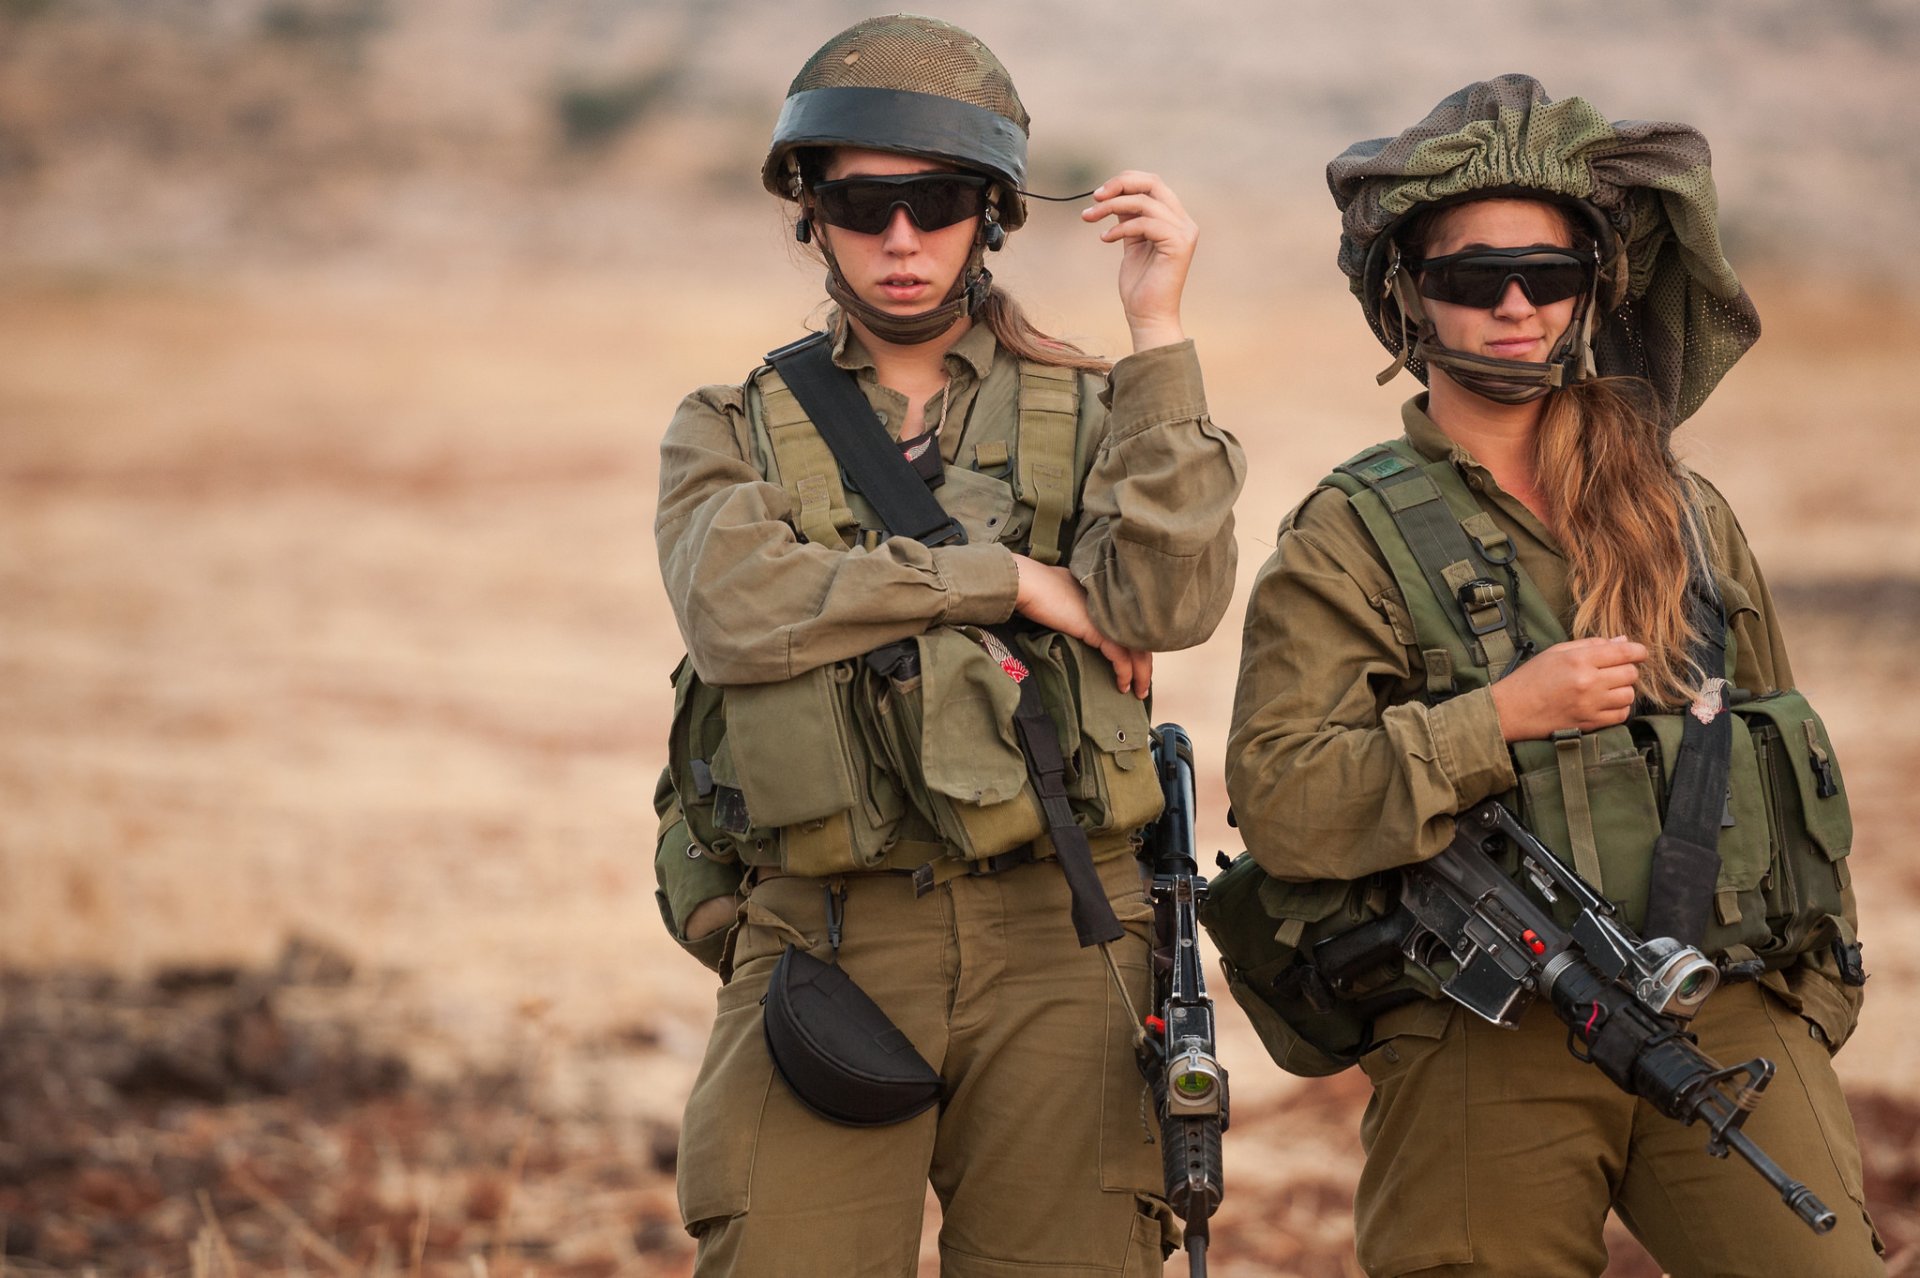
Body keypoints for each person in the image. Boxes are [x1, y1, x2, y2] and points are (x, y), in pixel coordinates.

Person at [1225, 76, 1882, 1276]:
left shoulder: (1680, 511)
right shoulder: (1349, 534)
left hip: (1723, 1012)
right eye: (1474, 278)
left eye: (1551, 274)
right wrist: (1498, 721)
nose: (1516, 305)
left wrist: (1809, 1004)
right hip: (1492, 1040)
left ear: (1595, 288)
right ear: (1410, 296)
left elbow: (1781, 742)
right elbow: (1281, 798)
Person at [652, 15, 1244, 1276]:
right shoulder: (732, 426)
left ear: (993, 213)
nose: (902, 238)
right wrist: (1009, 578)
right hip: (826, 932)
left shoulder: (1095, 406)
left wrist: (1158, 334)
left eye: (938, 199)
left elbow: (1167, 604)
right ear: (810, 212)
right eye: (864, 202)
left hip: (1066, 931)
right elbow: (735, 608)